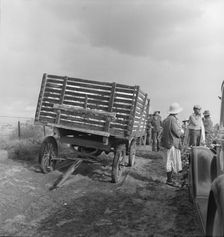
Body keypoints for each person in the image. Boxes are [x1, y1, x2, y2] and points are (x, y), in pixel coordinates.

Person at [161, 102, 184, 187]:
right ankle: (170, 180)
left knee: (168, 161)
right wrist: (182, 131)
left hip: (167, 143)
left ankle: (169, 179)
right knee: (171, 161)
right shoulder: (173, 119)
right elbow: (177, 133)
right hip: (172, 143)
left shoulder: (167, 119)